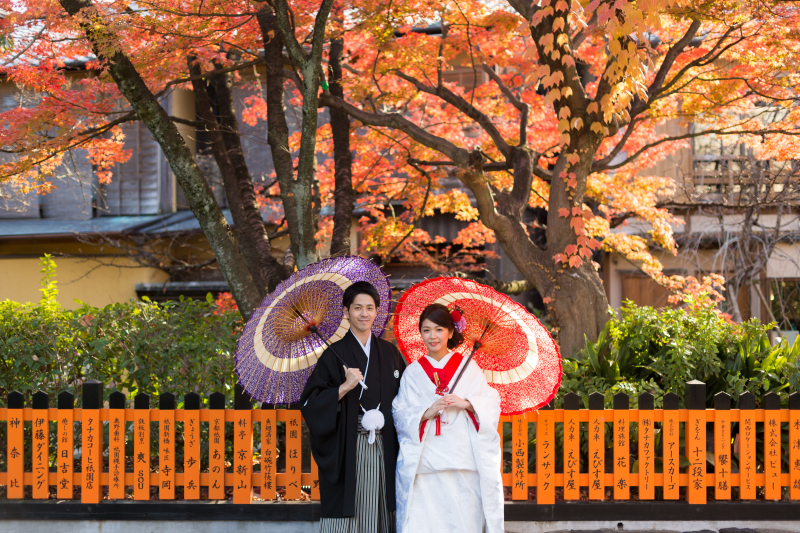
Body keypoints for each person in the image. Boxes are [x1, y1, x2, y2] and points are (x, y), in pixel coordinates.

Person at [301, 281, 407, 532]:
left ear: (377, 311)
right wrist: (344, 386)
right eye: (357, 307)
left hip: (386, 443)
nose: (364, 314)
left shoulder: (390, 352)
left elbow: (405, 399)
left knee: (383, 503)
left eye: (370, 308)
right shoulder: (333, 354)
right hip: (351, 444)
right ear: (347, 311)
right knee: (354, 502)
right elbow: (310, 402)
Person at [393, 303, 503, 533]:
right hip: (426, 461)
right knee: (424, 522)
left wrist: (467, 404)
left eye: (439, 329)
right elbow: (400, 411)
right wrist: (427, 412)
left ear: (451, 332)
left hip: (462, 459)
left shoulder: (468, 367)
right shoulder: (413, 372)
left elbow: (491, 402)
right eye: (426, 330)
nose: (432, 336)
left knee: (462, 522)